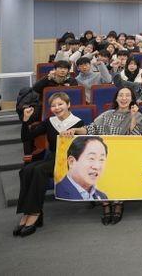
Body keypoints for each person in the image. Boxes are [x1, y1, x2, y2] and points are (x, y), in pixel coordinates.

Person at [61, 87, 142, 225]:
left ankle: (118, 203)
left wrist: (133, 116)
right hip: (103, 154)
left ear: (132, 99)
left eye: (127, 95)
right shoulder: (106, 114)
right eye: (121, 95)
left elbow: (133, 136)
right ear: (116, 98)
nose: (124, 98)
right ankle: (105, 204)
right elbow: (91, 129)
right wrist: (75, 130)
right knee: (97, 166)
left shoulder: (137, 115)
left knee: (120, 167)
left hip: (124, 155)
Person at [14, 93, 85, 237]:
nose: (57, 108)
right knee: (26, 170)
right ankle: (28, 212)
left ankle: (35, 212)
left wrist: (76, 132)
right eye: (53, 106)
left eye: (60, 104)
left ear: (68, 104)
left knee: (38, 170)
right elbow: (26, 137)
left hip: (68, 161)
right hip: (52, 158)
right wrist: (26, 120)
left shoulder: (77, 122)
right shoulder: (49, 122)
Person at [54, 136, 109, 201]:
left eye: (101, 159)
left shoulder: (102, 196)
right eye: (91, 158)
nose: (97, 166)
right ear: (72, 162)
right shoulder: (59, 192)